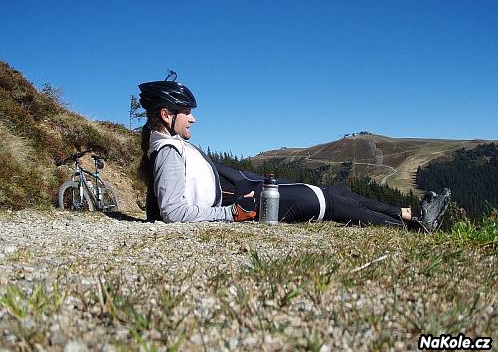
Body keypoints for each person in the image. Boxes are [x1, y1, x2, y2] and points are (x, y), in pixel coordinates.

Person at [137, 73, 451, 231]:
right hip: (235, 204)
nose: (193, 118)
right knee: (316, 199)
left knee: (333, 190)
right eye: (186, 112)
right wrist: (230, 214)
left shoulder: (174, 145)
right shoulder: (166, 152)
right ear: (166, 115)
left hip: (244, 192)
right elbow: (173, 214)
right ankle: (409, 228)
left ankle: (411, 215)